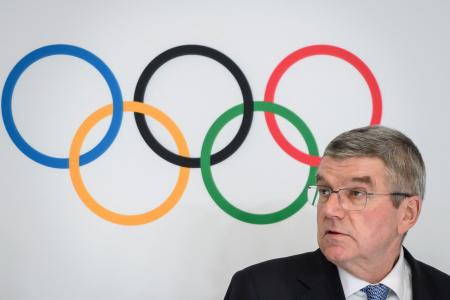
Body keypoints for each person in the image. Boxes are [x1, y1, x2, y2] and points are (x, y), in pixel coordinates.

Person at [224, 125, 450, 300]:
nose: (330, 210)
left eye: (356, 194)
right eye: (324, 191)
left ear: (408, 214)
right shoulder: (260, 290)